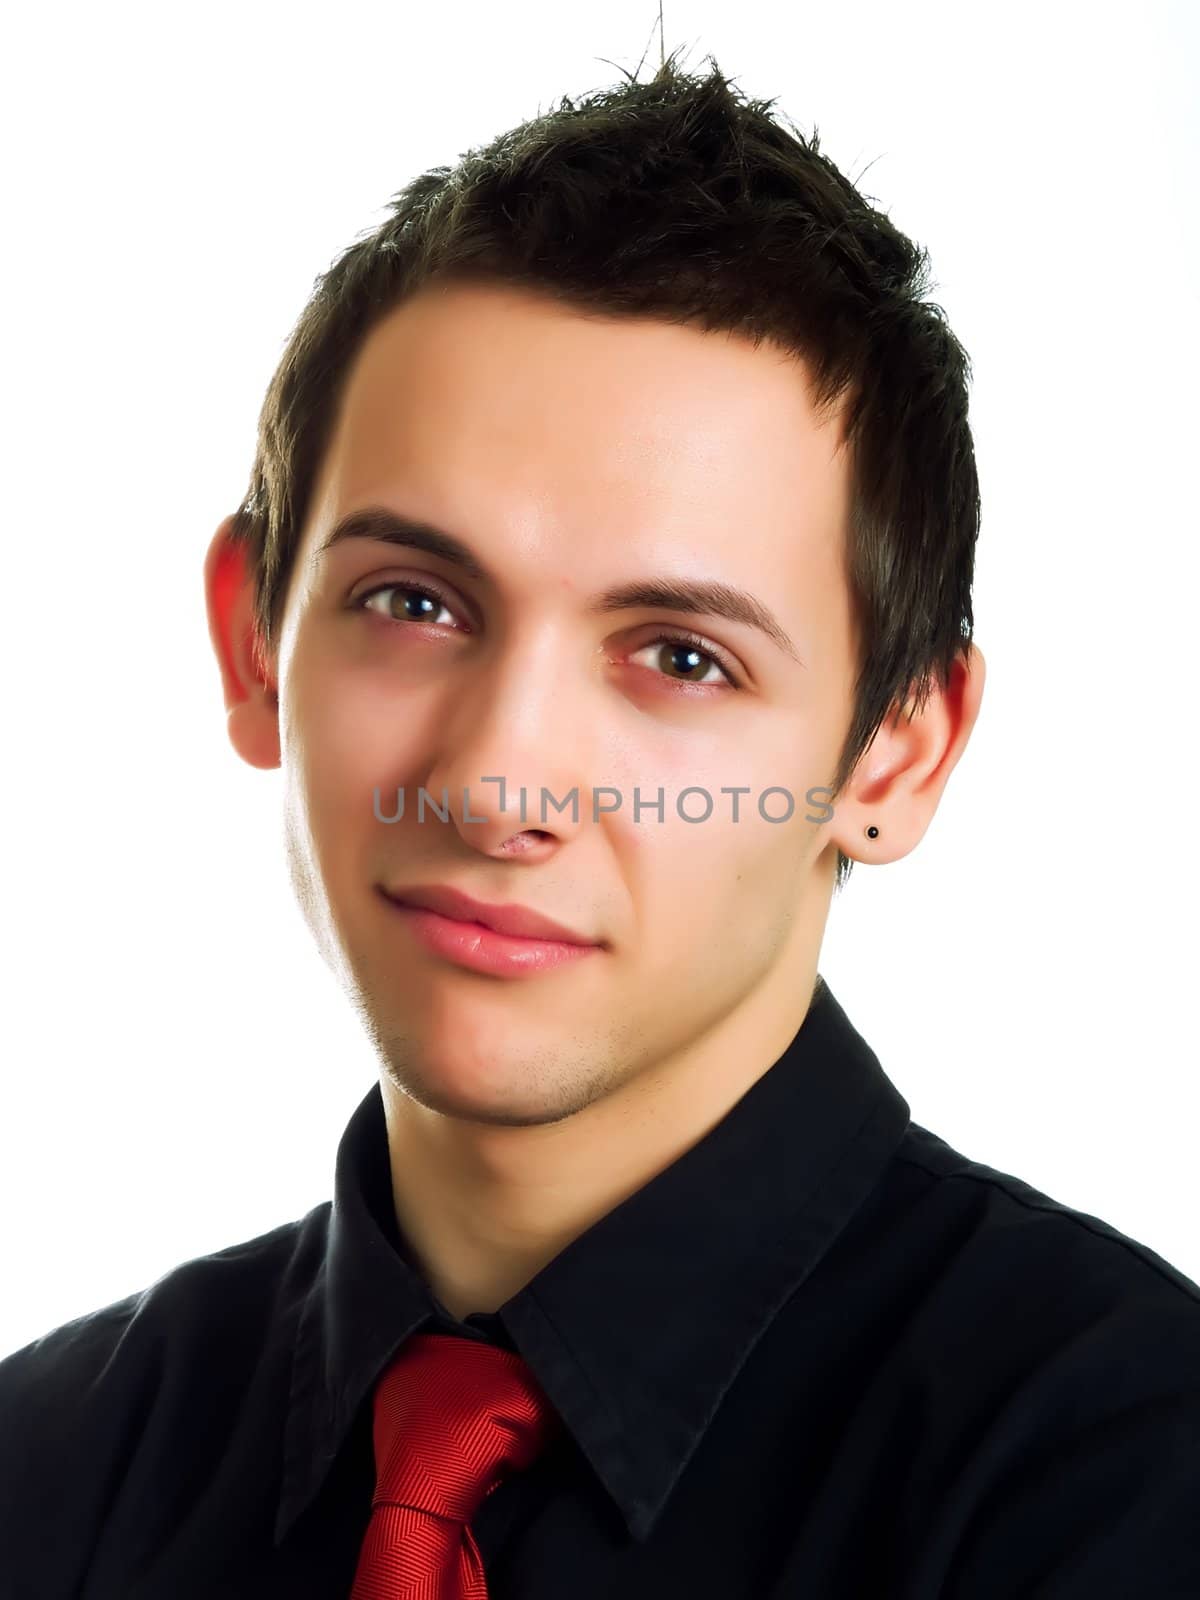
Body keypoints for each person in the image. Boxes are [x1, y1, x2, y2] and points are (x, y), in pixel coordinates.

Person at [2, 51, 1196, 1599]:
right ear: (254, 645)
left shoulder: (1124, 1487)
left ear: (897, 753)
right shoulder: (43, 1474)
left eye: (681, 658)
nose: (497, 785)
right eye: (414, 602)